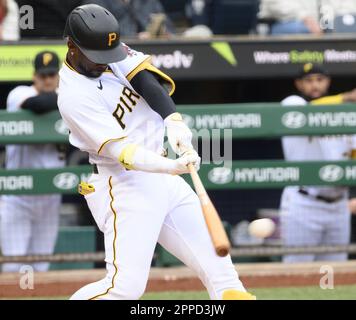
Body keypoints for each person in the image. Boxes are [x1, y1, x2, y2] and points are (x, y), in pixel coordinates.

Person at [58, 4, 254, 300]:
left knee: (224, 277)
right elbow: (123, 152)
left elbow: (146, 81)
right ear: (71, 45)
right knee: (123, 288)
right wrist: (170, 166)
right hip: (124, 185)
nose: (104, 63)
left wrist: (173, 120)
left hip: (163, 177)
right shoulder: (73, 95)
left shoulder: (108, 50)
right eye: (96, 58)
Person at [280, 63, 356, 263]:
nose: (315, 85)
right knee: (296, 273)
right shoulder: (293, 103)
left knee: (333, 274)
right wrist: (346, 97)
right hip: (304, 202)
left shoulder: (346, 116)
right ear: (299, 84)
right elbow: (311, 112)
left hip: (339, 204)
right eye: (309, 80)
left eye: (320, 79)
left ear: (328, 81)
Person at [1, 51, 65, 272]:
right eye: (42, 75)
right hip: (19, 198)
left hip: (50, 198)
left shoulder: (66, 95)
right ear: (34, 76)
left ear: (58, 75)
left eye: (51, 75)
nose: (47, 80)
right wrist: (72, 95)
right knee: (13, 269)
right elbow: (38, 104)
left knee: (41, 268)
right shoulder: (19, 93)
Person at [82, 0, 175, 38]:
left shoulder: (148, 1)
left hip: (153, 53)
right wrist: (136, 37)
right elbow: (97, 34)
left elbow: (168, 27)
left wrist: (161, 33)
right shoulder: (96, 2)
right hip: (114, 55)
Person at [258, 0, 356, 35]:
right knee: (298, 28)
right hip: (288, 21)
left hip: (326, 24)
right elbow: (275, 4)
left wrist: (331, 22)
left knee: (348, 24)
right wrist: (304, 17)